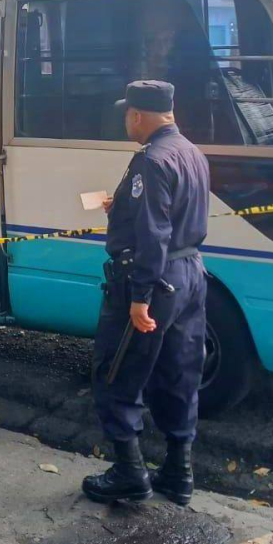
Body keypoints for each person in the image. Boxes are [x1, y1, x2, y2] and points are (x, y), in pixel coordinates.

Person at [83, 80, 211, 506]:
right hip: (190, 274)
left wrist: (139, 297)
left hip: (153, 280)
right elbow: (170, 215)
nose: (126, 122)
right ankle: (178, 472)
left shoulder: (150, 161)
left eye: (127, 115)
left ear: (137, 115)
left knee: (116, 370)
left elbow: (154, 233)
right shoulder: (190, 151)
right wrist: (120, 207)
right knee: (179, 373)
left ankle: (129, 472)